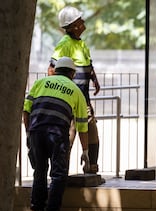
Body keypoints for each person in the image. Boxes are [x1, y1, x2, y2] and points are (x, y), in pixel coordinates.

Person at [23, 57, 90, 211]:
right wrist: (86, 151)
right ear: (72, 73)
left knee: (39, 170)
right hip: (57, 133)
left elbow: (26, 110)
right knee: (58, 175)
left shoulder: (41, 83)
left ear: (55, 69)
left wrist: (28, 134)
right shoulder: (76, 91)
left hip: (36, 131)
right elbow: (82, 125)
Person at [48, 6, 101, 174]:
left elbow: (88, 66)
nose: (83, 22)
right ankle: (62, 172)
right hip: (70, 100)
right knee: (69, 135)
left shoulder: (81, 44)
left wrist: (94, 80)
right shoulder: (65, 44)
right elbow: (52, 69)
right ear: (73, 25)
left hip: (83, 99)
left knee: (92, 132)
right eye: (80, 20)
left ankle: (92, 168)